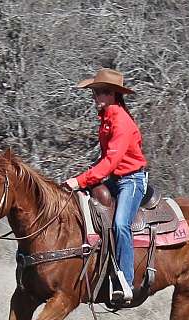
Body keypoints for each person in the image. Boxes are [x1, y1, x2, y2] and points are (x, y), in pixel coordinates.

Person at [65, 68, 147, 302]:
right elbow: (106, 162)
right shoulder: (107, 118)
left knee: (121, 224)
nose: (96, 96)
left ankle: (127, 282)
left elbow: (110, 162)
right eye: (95, 92)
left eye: (101, 92)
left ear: (113, 95)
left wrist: (79, 180)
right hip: (116, 179)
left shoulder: (121, 122)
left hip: (131, 181)